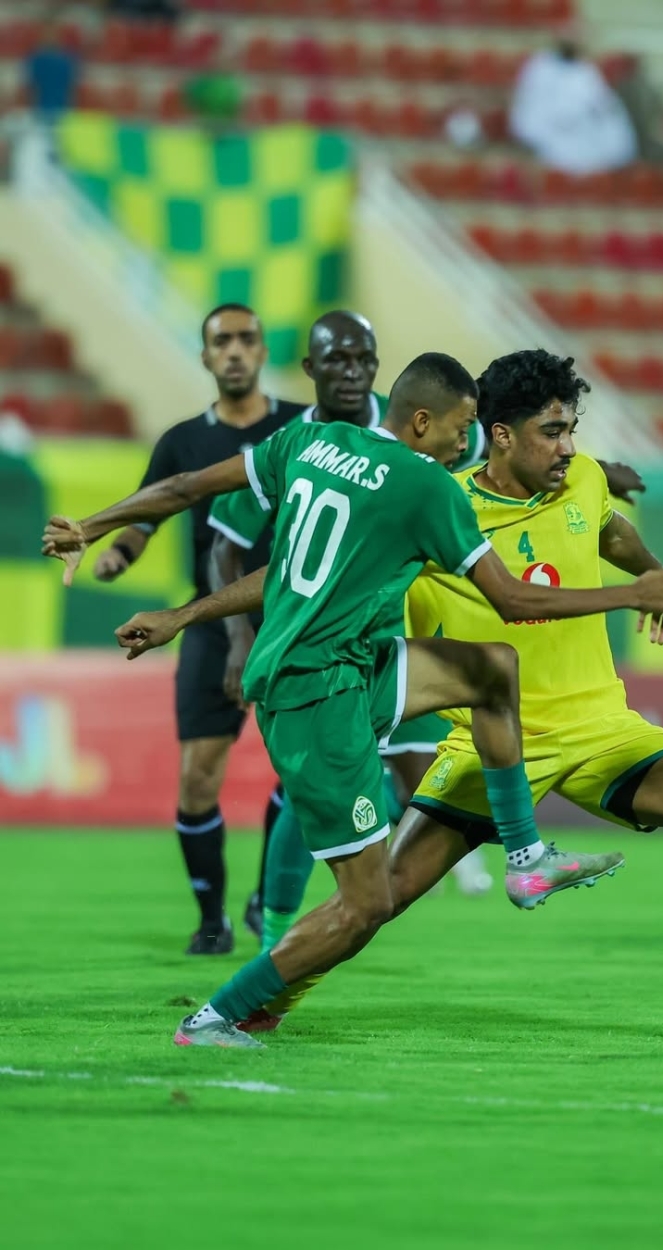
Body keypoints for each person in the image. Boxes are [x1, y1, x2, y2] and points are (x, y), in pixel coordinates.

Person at [42, 352, 663, 1050]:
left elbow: (189, 491)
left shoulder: (313, 441)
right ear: (422, 421)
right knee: (367, 904)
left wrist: (100, 534)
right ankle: (214, 1018)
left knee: (489, 671)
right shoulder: (428, 489)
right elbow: (513, 600)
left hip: (349, 663)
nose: (468, 442)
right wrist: (631, 592)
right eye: (460, 429)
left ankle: (524, 859)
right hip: (316, 693)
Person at [171, 349, 663, 1042]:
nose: (568, 447)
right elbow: (300, 576)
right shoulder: (436, 505)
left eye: (572, 429)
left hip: (602, 728)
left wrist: (649, 579)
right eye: (552, 431)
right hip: (494, 748)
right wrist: (193, 615)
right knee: (375, 900)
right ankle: (257, 1003)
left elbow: (610, 526)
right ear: (501, 435)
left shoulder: (581, 479)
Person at [208, 318, 494, 937]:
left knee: (425, 763)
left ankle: (490, 854)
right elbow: (226, 541)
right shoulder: (298, 443)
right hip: (318, 654)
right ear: (311, 369)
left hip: (392, 640)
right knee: (308, 794)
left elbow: (497, 455)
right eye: (337, 359)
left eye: (364, 358)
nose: (352, 370)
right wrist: (242, 636)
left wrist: (579, 467)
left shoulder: (417, 417)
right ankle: (275, 922)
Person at [92, 303, 302, 955]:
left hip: (296, 620)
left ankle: (267, 895)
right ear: (206, 358)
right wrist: (117, 553)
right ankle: (212, 919)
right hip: (213, 623)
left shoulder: (300, 427)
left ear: (263, 350)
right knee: (197, 781)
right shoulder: (182, 441)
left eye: (246, 339)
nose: (235, 351)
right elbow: (149, 514)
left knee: (302, 775)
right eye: (222, 342)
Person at [508, 32, 638, 176]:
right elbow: (532, 100)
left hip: (582, 128)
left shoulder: (585, 69)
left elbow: (598, 98)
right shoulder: (541, 66)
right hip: (548, 127)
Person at [23, 22, 81, 124]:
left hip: (63, 110)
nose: (50, 38)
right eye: (47, 35)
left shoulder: (67, 60)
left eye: (53, 35)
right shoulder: (35, 60)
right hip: (39, 110)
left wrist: (72, 109)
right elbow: (30, 88)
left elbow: (72, 89)